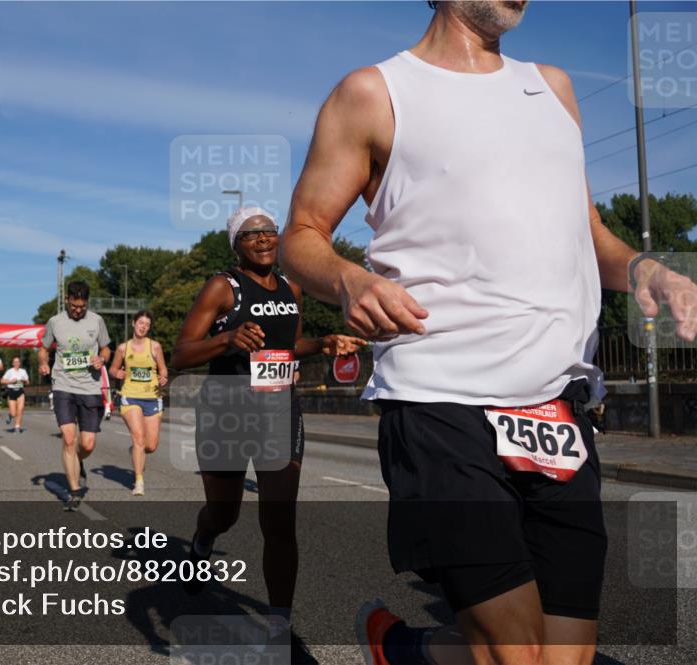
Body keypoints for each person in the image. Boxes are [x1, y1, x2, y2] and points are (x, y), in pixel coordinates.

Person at [278, 3, 697, 665]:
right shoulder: (374, 93)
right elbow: (298, 237)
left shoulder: (553, 88)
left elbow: (588, 234)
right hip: (441, 394)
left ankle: (405, 649)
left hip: (558, 405)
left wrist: (649, 269)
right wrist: (347, 280)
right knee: (515, 653)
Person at [171, 207, 366, 664]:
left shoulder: (291, 287)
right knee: (224, 512)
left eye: (269, 232)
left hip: (278, 408)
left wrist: (322, 343)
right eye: (251, 234)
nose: (263, 239)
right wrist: (227, 339)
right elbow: (180, 354)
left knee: (279, 519)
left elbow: (285, 347)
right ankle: (203, 541)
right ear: (236, 243)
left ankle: (279, 624)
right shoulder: (223, 287)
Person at [38, 280, 111, 511]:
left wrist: (102, 357)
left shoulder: (97, 320)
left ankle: (78, 461)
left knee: (87, 444)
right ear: (67, 299)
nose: (78, 310)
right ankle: (74, 490)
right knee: (69, 439)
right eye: (74, 305)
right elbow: (43, 348)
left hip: (90, 387)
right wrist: (43, 363)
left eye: (82, 306)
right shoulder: (55, 322)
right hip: (63, 385)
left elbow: (106, 347)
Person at [109, 310, 169, 496]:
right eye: (141, 322)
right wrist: (116, 373)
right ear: (133, 323)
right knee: (139, 438)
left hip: (152, 397)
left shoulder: (155, 347)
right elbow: (112, 368)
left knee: (150, 445)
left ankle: (136, 450)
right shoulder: (122, 348)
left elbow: (164, 370)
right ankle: (139, 481)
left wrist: (163, 377)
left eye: (147, 324)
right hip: (130, 396)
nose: (143, 326)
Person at [1, 356, 29, 433]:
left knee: (20, 410)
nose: (16, 363)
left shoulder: (23, 371)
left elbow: (28, 382)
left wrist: (24, 380)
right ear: (13, 363)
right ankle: (10, 416)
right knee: (13, 413)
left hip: (20, 391)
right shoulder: (9, 371)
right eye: (15, 362)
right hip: (11, 391)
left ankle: (17, 426)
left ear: (20, 363)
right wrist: (10, 382)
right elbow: (2, 381)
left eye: (18, 362)